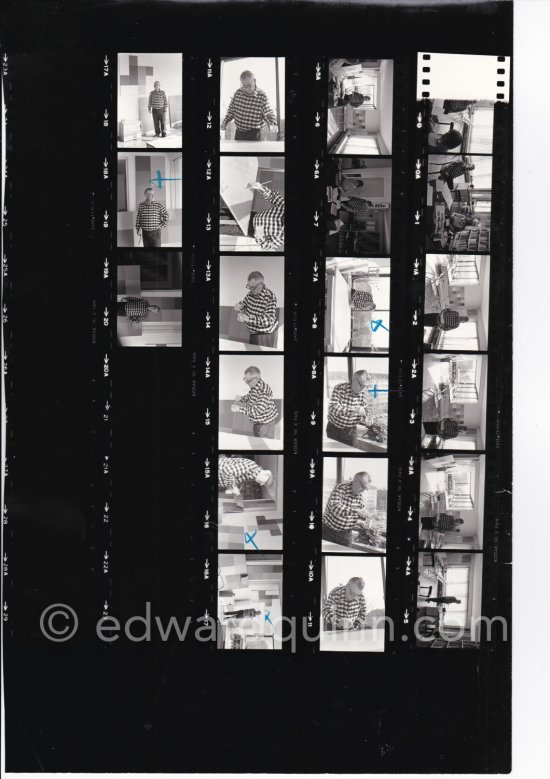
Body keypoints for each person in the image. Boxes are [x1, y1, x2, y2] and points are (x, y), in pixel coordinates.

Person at [220, 70, 278, 141]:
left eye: (249, 86)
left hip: (254, 135)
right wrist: (225, 122)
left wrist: (273, 126)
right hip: (239, 133)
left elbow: (269, 114)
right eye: (244, 86)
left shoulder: (262, 96)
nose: (247, 89)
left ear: (254, 81)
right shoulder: (238, 93)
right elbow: (231, 111)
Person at [322, 471, 373, 548]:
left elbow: (359, 513)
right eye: (363, 486)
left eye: (365, 488)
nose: (363, 490)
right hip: (328, 531)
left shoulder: (360, 497)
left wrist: (366, 517)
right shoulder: (340, 488)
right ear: (355, 481)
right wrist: (357, 511)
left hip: (346, 535)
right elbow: (335, 508)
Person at [326, 369, 374, 447]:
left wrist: (368, 418)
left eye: (365, 386)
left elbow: (367, 411)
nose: (362, 389)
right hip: (333, 429)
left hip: (351, 432)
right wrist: (354, 410)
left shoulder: (363, 394)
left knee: (350, 452)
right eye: (361, 385)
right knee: (333, 452)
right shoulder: (339, 388)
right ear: (353, 379)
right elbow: (333, 408)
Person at [232, 366, 279, 439]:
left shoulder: (263, 392)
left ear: (256, 378)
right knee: (258, 441)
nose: (247, 383)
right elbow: (251, 397)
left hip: (265, 424)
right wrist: (241, 398)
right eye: (245, 380)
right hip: (259, 422)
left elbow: (256, 411)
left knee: (263, 445)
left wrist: (238, 409)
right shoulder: (255, 387)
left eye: (248, 381)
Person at [235, 271, 279, 348]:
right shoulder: (250, 294)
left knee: (262, 358)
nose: (251, 290)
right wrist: (239, 306)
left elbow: (269, 319)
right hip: (252, 333)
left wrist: (248, 318)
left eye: (253, 287)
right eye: (249, 286)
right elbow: (244, 303)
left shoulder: (270, 296)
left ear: (261, 284)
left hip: (264, 335)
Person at [250, 182, 285, 251]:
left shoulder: (283, 237)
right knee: (226, 212)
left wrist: (260, 237)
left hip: (250, 229)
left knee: (224, 226)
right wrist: (261, 188)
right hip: (253, 215)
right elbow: (273, 196)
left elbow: (270, 246)